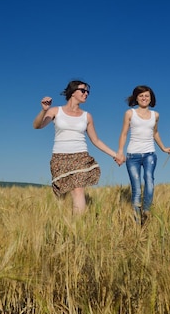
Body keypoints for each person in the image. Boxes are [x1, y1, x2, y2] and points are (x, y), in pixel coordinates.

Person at [33, 80, 118, 214]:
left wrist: (115, 154)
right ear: (73, 92)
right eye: (83, 91)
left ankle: (78, 228)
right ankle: (63, 225)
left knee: (78, 190)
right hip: (60, 157)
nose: (86, 94)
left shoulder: (87, 116)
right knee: (62, 196)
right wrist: (44, 111)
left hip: (80, 156)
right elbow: (37, 126)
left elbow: (95, 140)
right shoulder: (55, 111)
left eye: (87, 92)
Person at [115, 85, 170, 223]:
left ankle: (146, 211)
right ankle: (137, 221)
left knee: (149, 181)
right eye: (141, 96)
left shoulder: (156, 115)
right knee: (136, 188)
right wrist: (120, 151)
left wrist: (164, 148)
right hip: (132, 156)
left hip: (149, 154)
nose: (144, 98)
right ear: (136, 98)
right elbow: (124, 133)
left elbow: (155, 133)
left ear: (151, 98)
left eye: (147, 96)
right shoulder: (130, 113)